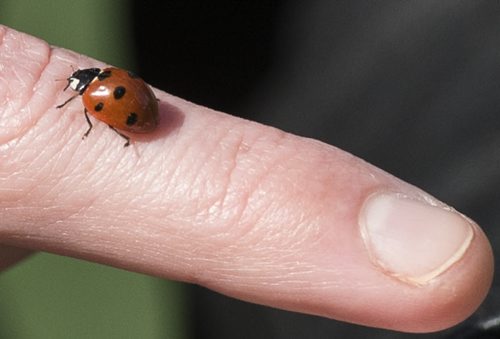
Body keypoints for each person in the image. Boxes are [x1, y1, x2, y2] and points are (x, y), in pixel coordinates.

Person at [0, 24, 493, 335]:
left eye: (75, 84)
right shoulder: (102, 82)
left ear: (84, 82)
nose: (72, 87)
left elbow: (96, 111)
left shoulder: (93, 96)